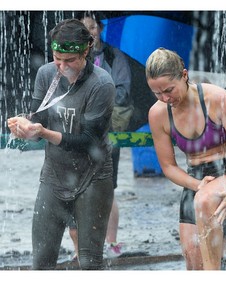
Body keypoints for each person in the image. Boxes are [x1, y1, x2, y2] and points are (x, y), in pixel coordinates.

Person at [7, 18, 115, 269]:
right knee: (42, 261)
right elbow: (38, 116)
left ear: (85, 51)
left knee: (89, 262)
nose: (62, 66)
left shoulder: (102, 84)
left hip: (93, 177)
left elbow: (88, 142)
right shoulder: (46, 73)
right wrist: (24, 125)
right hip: (54, 176)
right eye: (57, 58)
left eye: (70, 61)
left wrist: (43, 132)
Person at [146, 47, 226, 270]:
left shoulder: (217, 98)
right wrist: (197, 184)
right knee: (194, 261)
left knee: (205, 201)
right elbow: (168, 166)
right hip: (196, 179)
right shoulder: (158, 114)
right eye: (157, 93)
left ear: (184, 75)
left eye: (169, 90)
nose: (165, 98)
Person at [65, 11, 132, 260]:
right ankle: (79, 248)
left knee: (107, 187)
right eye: (84, 28)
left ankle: (110, 243)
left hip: (108, 133)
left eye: (92, 27)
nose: (89, 32)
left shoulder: (114, 56)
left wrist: (99, 100)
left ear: (100, 29)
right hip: (78, 134)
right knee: (77, 187)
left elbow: (124, 91)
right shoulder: (72, 58)